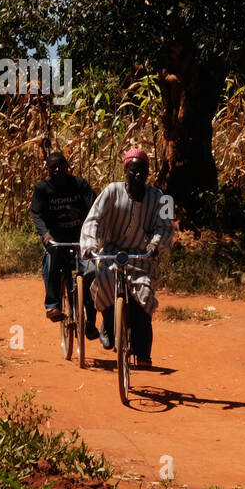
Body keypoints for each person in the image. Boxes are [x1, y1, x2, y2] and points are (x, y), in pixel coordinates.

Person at [79, 148, 174, 368]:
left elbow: (166, 226)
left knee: (144, 296)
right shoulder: (111, 191)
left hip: (142, 256)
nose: (138, 176)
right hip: (113, 253)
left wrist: (155, 244)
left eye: (142, 172)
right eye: (133, 171)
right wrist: (90, 243)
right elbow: (93, 219)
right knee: (102, 284)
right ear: (125, 171)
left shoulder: (161, 198)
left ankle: (143, 353)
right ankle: (109, 326)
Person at [30, 151, 98, 337]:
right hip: (56, 239)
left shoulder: (79, 185)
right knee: (51, 260)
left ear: (67, 166)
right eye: (53, 167)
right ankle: (53, 305)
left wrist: (92, 233)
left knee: (91, 271)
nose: (57, 170)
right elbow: (36, 214)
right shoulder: (42, 189)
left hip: (80, 238)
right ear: (48, 169)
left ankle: (90, 321)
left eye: (61, 166)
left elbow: (94, 208)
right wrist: (45, 234)